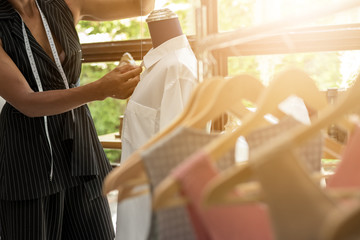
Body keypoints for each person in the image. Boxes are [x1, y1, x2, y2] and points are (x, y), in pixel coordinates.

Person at [0, 0, 154, 239]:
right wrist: (100, 90)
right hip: (27, 163)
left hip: (80, 152)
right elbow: (26, 101)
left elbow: (142, 5)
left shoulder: (64, 4)